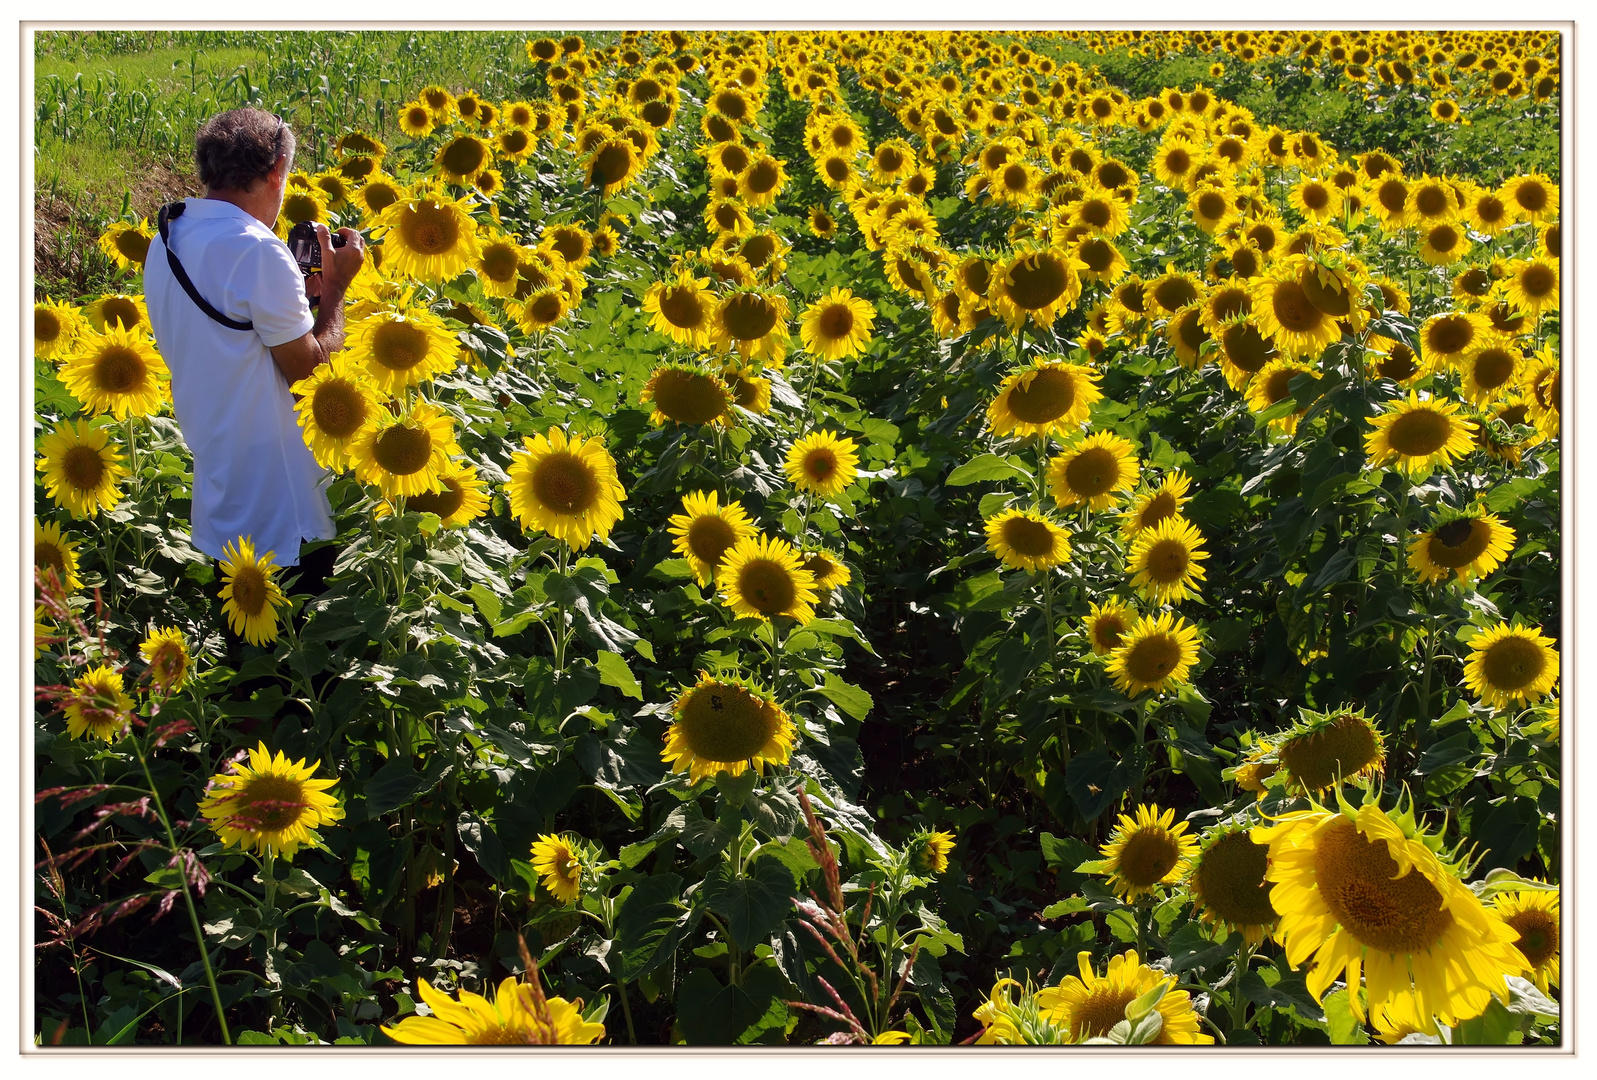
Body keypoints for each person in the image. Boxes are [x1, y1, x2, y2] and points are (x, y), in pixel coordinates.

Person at [144, 107, 365, 591]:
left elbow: (226, 344)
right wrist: (336, 288)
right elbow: (312, 375)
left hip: (220, 496)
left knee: (245, 653)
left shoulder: (167, 238)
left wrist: (298, 307)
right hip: (285, 511)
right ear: (276, 173)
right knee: (301, 660)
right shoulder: (258, 250)